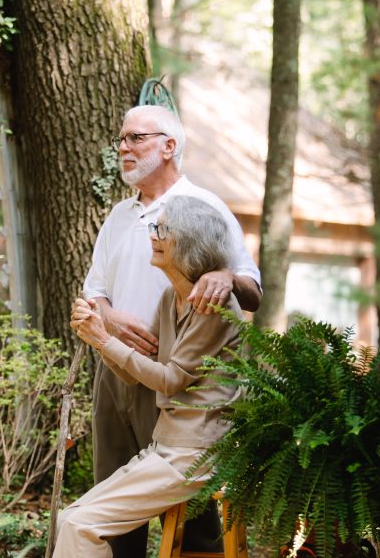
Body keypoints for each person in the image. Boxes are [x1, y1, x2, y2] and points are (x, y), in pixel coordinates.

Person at [82, 104, 261, 556]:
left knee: (189, 511)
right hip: (115, 372)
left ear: (169, 145)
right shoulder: (119, 216)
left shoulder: (203, 206)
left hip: (175, 379)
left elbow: (252, 288)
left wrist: (226, 277)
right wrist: (107, 317)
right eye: (121, 138)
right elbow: (94, 292)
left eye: (135, 138)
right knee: (113, 497)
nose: (123, 147)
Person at [56, 196, 244, 557]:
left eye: (162, 229)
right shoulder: (169, 299)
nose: (153, 236)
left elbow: (171, 379)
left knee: (82, 526)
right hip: (166, 447)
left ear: (189, 243)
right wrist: (95, 338)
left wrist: (105, 339)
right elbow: (139, 369)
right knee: (70, 519)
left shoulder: (213, 307)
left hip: (193, 453)